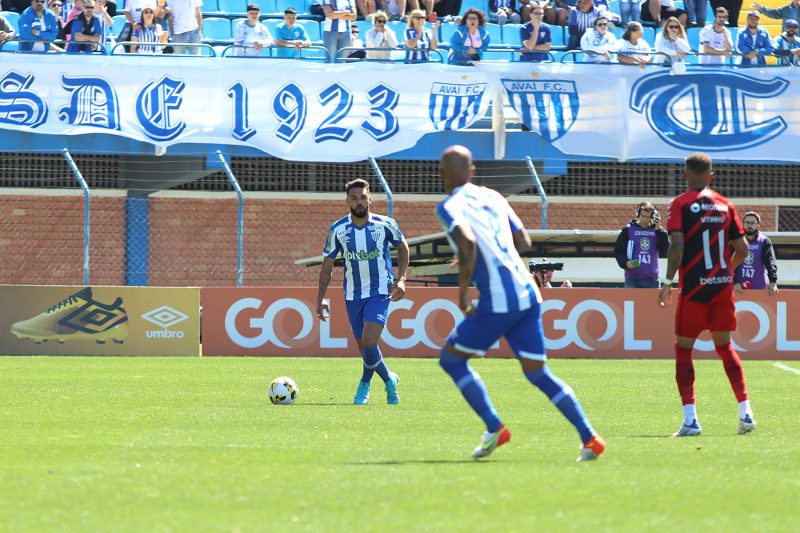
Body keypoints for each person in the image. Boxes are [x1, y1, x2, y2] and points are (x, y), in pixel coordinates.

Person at [435, 146, 604, 461]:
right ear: (472, 172)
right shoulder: (495, 196)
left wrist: (461, 293)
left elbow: (468, 243)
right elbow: (524, 240)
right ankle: (589, 438)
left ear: (443, 174)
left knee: (452, 360)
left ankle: (494, 427)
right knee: (537, 372)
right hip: (528, 292)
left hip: (499, 300)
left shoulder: (449, 206)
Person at [657, 152, 756, 438]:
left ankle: (691, 421)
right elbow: (743, 250)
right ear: (712, 175)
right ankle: (746, 413)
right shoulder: (726, 205)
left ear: (685, 174)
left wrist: (667, 282)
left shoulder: (680, 204)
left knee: (684, 349)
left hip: (695, 289)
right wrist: (724, 271)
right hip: (722, 287)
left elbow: (676, 245)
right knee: (725, 346)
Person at [316, 179, 409, 406]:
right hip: (353, 295)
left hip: (379, 292)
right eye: (354, 198)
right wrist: (320, 300)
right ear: (347, 200)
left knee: (369, 341)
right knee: (364, 348)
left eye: (363, 197)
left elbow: (403, 247)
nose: (359, 202)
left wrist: (402, 279)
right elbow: (327, 266)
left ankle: (364, 386)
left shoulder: (385, 224)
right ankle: (389, 379)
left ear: (370, 198)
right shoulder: (338, 229)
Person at [614, 202, 669, 288]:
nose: (645, 219)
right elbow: (619, 251)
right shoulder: (628, 230)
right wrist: (626, 262)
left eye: (648, 217)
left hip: (652, 280)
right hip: (632, 280)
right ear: (638, 214)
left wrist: (659, 230)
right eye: (642, 216)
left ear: (653, 217)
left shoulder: (658, 231)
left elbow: (665, 250)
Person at [734, 211, 779, 295]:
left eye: (752, 223)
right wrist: (734, 282)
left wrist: (773, 282)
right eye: (747, 222)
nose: (749, 225)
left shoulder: (764, 241)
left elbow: (771, 263)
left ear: (758, 225)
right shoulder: (736, 241)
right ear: (742, 224)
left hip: (759, 289)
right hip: (738, 288)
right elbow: (730, 264)